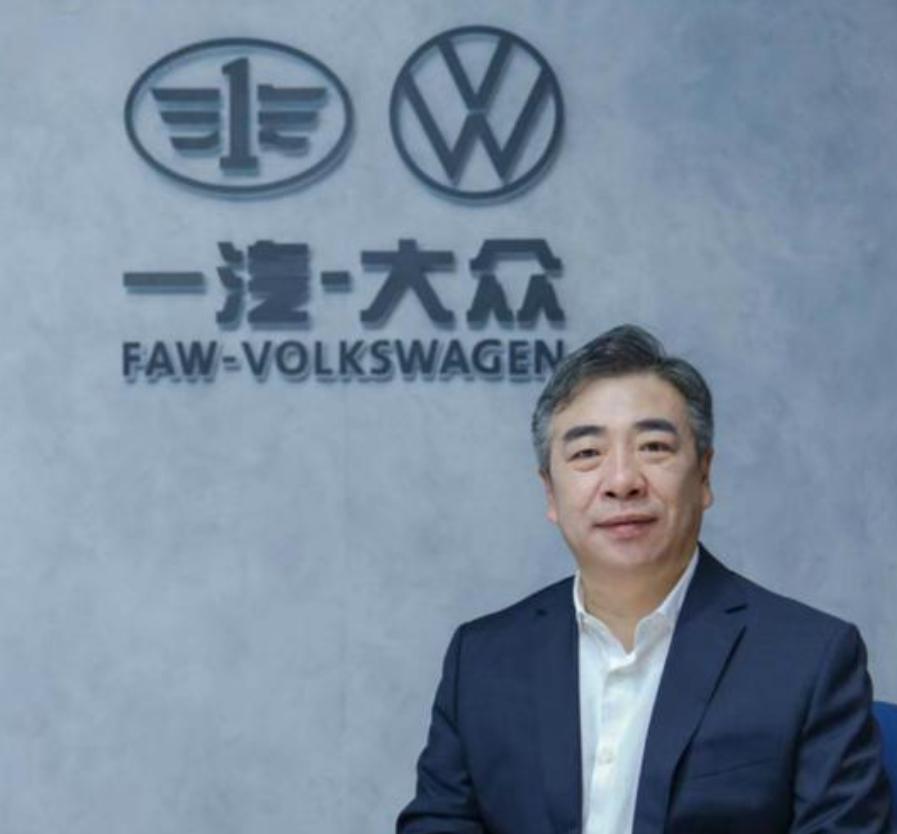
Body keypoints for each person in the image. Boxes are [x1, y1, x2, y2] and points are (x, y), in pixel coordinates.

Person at [397, 324, 893, 834]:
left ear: (704, 476)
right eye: (587, 454)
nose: (622, 482)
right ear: (550, 493)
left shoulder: (808, 659)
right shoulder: (482, 660)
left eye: (653, 447)